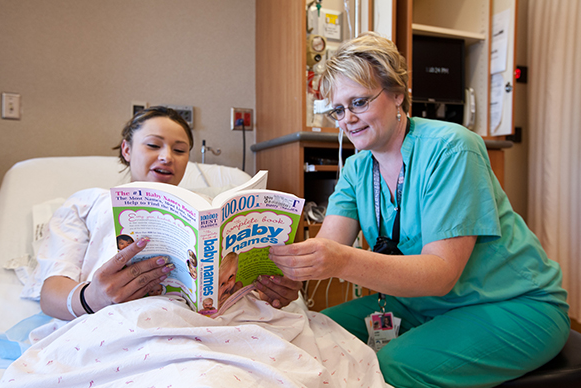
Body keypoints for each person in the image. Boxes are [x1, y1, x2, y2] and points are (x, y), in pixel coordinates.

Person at [268, 32, 570, 388]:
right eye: (339, 109)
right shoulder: (357, 169)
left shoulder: (452, 149)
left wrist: (339, 261)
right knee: (307, 335)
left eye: (359, 102)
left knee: (389, 367)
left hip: (514, 307)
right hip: (414, 305)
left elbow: (441, 274)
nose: (347, 119)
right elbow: (329, 244)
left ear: (397, 93)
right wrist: (288, 277)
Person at [35, 106, 300, 321]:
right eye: (153, 145)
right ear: (126, 150)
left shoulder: (207, 211)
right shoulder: (87, 203)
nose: (167, 157)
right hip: (121, 324)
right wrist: (92, 298)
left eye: (180, 150)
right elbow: (50, 294)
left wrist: (276, 291)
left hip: (222, 326)